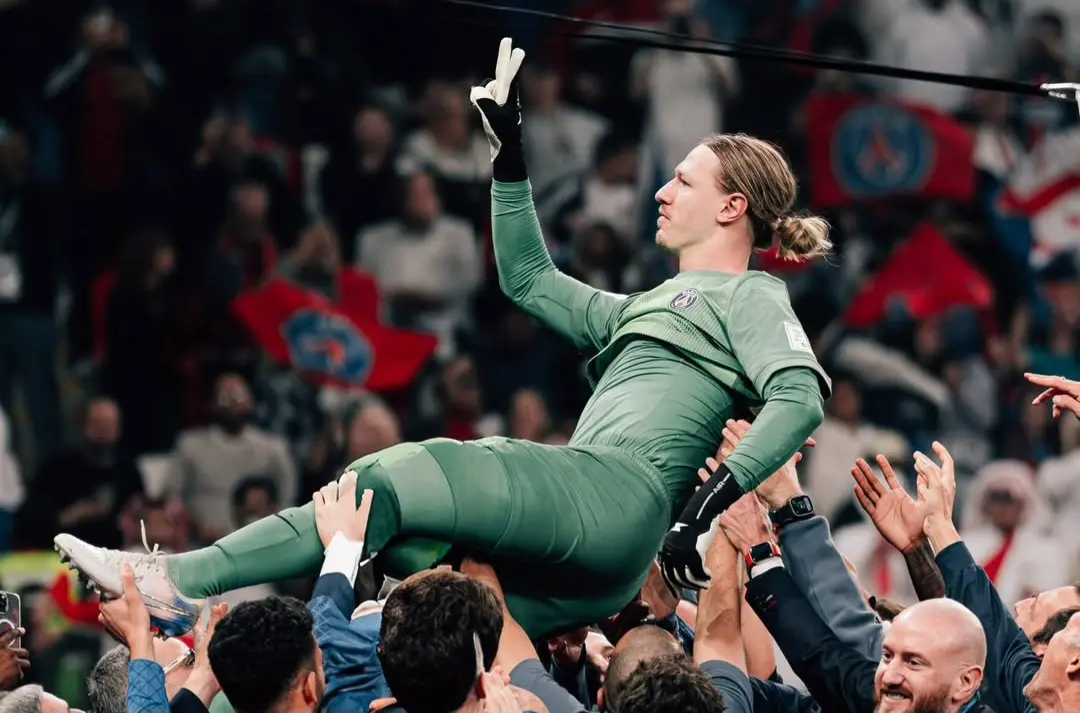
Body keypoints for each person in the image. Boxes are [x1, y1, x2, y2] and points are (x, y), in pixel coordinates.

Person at [54, 37, 832, 640]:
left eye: (685, 182)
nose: (662, 189)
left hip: (619, 500)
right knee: (403, 560)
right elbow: (527, 279)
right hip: (598, 552)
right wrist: (509, 157)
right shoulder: (648, 307)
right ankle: (185, 595)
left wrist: (705, 508)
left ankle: (178, 577)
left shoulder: (751, 294)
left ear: (733, 209)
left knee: (380, 482)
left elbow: (799, 396)